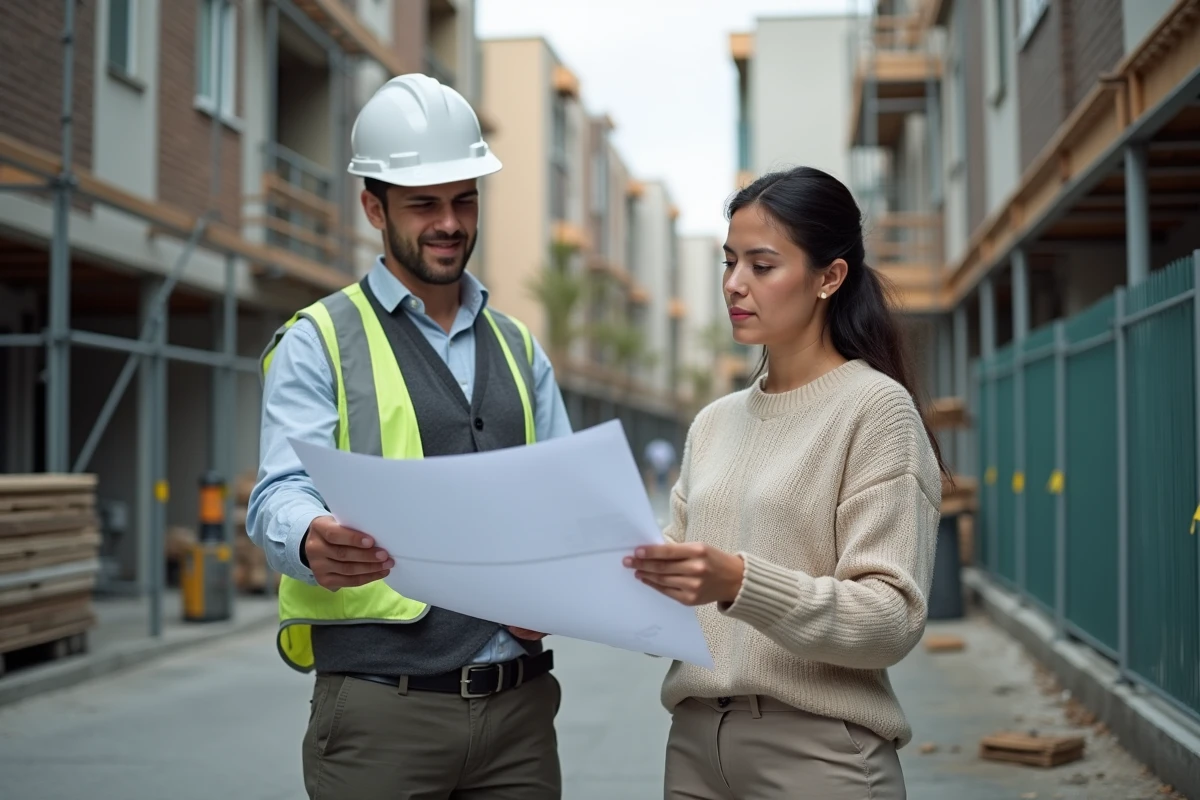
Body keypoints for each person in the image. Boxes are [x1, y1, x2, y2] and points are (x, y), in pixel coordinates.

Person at [248, 74, 572, 799]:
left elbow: (565, 500)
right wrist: (309, 537)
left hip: (519, 712)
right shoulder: (319, 338)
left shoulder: (520, 347)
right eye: (424, 204)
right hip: (382, 712)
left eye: (463, 200)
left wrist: (561, 583)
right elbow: (280, 491)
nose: (449, 223)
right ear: (374, 206)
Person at [624, 166, 947, 799]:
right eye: (728, 262)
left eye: (762, 266)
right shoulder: (712, 423)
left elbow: (890, 619)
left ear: (829, 277)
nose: (734, 285)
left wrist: (741, 582)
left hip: (818, 754)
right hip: (692, 747)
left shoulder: (875, 411)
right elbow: (671, 590)